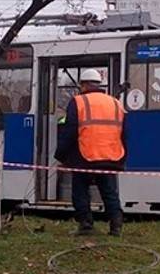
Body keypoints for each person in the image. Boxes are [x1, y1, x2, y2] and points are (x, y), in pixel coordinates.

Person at [54, 69, 127, 237]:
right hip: (110, 155)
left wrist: (61, 155)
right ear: (98, 84)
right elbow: (125, 133)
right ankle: (116, 225)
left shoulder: (78, 102)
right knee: (109, 191)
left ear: (84, 85)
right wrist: (122, 158)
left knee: (80, 190)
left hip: (85, 156)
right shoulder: (115, 103)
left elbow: (70, 131)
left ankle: (86, 224)